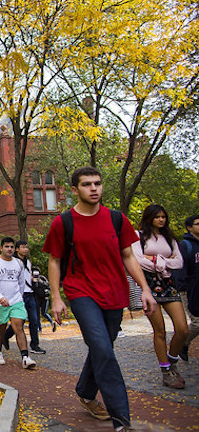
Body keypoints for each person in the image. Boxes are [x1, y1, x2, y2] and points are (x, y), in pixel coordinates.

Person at [43, 166, 156, 432]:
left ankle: (84, 389)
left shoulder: (117, 219)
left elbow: (129, 256)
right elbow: (54, 260)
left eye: (97, 183)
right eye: (86, 184)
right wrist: (56, 297)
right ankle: (121, 421)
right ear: (75, 190)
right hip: (81, 292)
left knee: (103, 347)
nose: (94, 188)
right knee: (103, 350)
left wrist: (145, 289)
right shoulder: (64, 222)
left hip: (114, 292)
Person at [132, 204, 186, 388]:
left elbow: (179, 262)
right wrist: (163, 263)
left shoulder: (169, 238)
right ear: (150, 218)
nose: (161, 220)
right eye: (157, 217)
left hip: (168, 286)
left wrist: (156, 260)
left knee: (182, 329)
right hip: (148, 286)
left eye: (163, 216)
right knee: (160, 330)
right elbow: (137, 260)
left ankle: (172, 360)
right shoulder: (138, 236)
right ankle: (166, 371)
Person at [0, 237, 37, 370]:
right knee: (1, 328)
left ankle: (25, 357)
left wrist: (18, 297)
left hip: (15, 301)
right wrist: (0, 297)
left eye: (11, 247)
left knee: (18, 327)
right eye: (6, 246)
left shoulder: (18, 263)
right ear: (1, 248)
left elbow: (20, 283)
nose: (9, 249)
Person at [3, 240, 46, 354]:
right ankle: (5, 336)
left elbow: (26, 276)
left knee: (34, 320)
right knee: (19, 321)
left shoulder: (28, 262)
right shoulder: (13, 262)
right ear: (17, 249)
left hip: (30, 293)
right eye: (23, 247)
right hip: (19, 295)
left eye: (27, 247)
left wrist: (32, 279)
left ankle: (35, 345)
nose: (25, 249)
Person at [174, 214, 199, 362]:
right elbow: (179, 268)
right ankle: (182, 342)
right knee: (197, 323)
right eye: (198, 224)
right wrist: (182, 288)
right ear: (189, 227)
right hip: (190, 290)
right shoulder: (185, 245)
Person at [31, 267, 56, 333]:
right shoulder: (31, 280)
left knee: (43, 313)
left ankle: (51, 323)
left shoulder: (42, 278)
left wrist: (39, 281)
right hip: (37, 298)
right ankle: (40, 328)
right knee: (38, 314)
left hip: (44, 298)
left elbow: (47, 285)